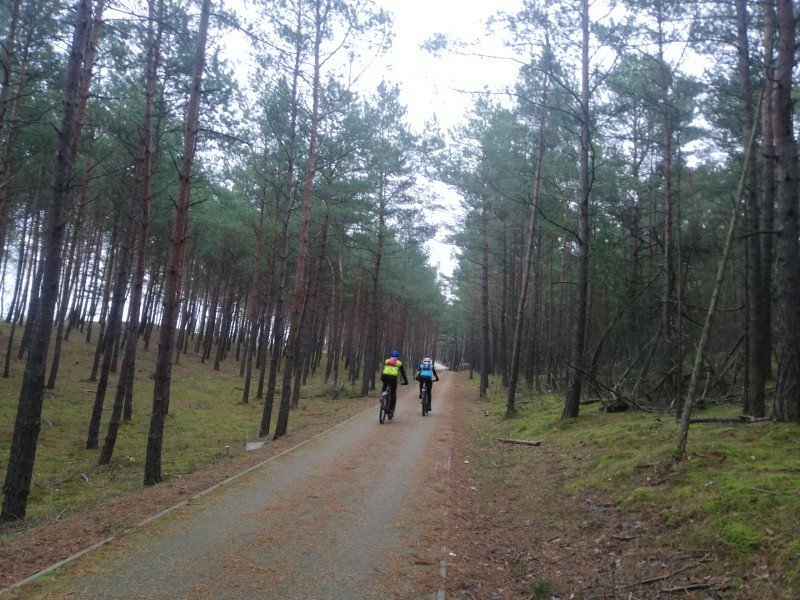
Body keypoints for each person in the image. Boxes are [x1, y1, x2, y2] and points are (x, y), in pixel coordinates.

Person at [381, 350, 409, 417]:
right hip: (393, 378)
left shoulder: (387, 360)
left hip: (384, 376)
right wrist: (406, 381)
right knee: (393, 393)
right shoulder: (399, 362)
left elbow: (384, 368)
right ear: (398, 357)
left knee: (384, 385)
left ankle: (382, 395)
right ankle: (390, 410)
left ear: (391, 355)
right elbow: (403, 373)